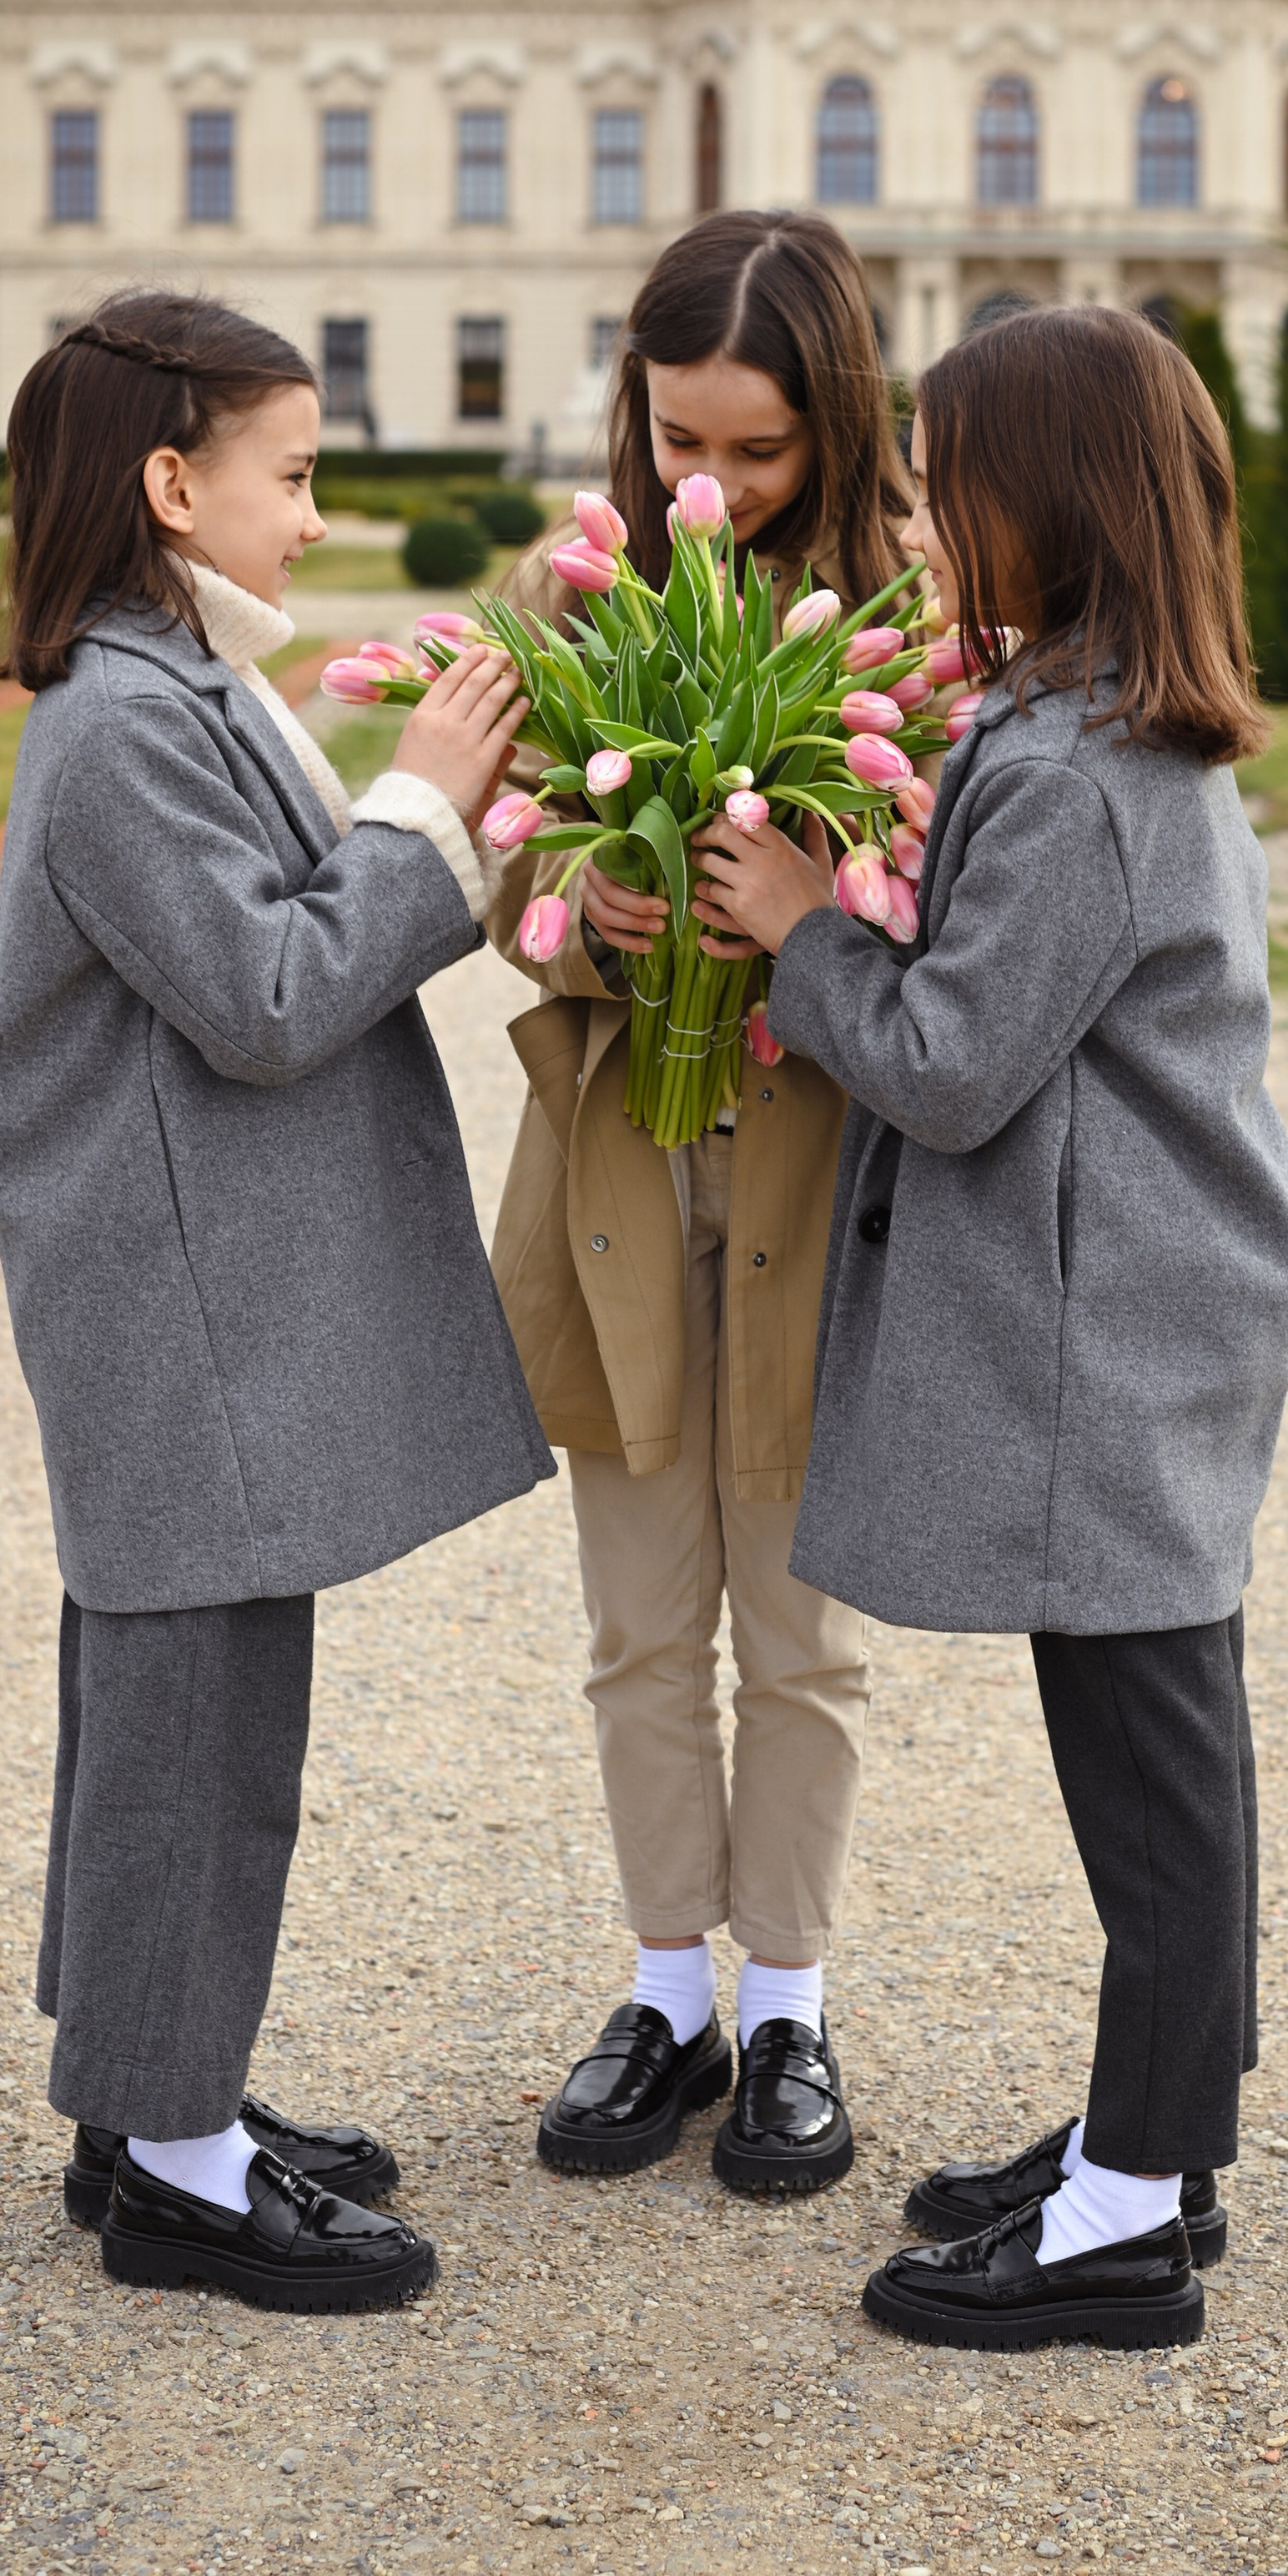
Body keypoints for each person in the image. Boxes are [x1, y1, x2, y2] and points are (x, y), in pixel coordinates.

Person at [695, 304, 1288, 2352]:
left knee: (1151, 1772)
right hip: (1133, 1306)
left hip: (1103, 1324)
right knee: (1153, 1746)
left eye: (946, 482)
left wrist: (792, 931)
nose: (921, 518)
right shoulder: (1096, 724)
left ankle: (1129, 2205)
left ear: (1041, 498)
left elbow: (953, 1065)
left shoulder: (1076, 766)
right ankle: (1157, 2134)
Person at [0, 291, 551, 2311]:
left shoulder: (161, 682)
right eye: (290, 474)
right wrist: (420, 802)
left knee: (183, 1699)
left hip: (190, 1289)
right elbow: (269, 992)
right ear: (169, 482)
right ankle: (173, 2159)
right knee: (192, 1714)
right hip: (182, 1299)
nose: (313, 517)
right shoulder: (132, 715)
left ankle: (146, 2091)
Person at [489, 209, 910, 2195]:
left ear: (838, 420)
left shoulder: (907, 615)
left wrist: (808, 918)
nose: (714, 489)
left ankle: (795, 2005)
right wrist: (595, 912)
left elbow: (952, 922)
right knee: (637, 1610)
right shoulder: (577, 590)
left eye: (759, 450)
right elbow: (495, 876)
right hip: (621, 1168)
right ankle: (667, 1993)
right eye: (682, 440)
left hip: (824, 1169)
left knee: (802, 1625)